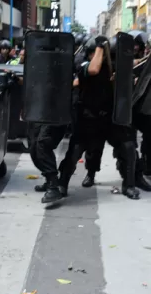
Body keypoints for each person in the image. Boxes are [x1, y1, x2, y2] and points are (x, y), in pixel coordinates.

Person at [58, 36, 140, 200]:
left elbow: (133, 74)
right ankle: (63, 183)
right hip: (88, 117)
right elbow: (94, 69)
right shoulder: (84, 66)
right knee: (77, 151)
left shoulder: (116, 69)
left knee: (128, 147)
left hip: (111, 118)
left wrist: (123, 79)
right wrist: (100, 47)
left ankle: (129, 184)